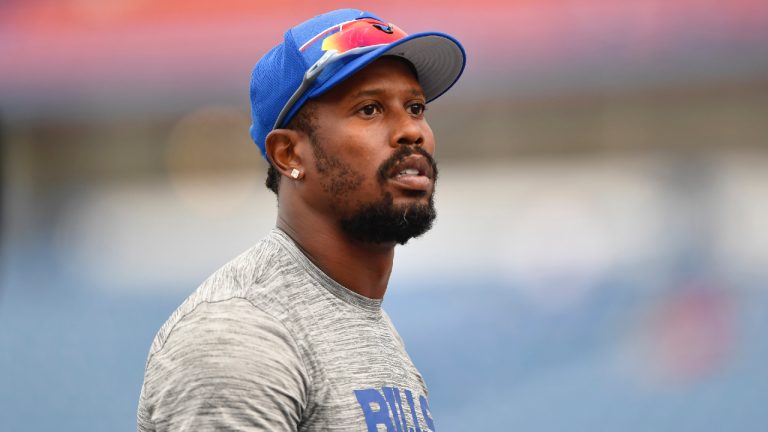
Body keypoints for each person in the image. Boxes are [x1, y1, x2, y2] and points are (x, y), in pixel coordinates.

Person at [137, 8, 465, 431]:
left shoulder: (365, 322)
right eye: (369, 109)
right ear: (290, 155)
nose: (411, 131)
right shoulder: (240, 334)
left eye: (416, 106)